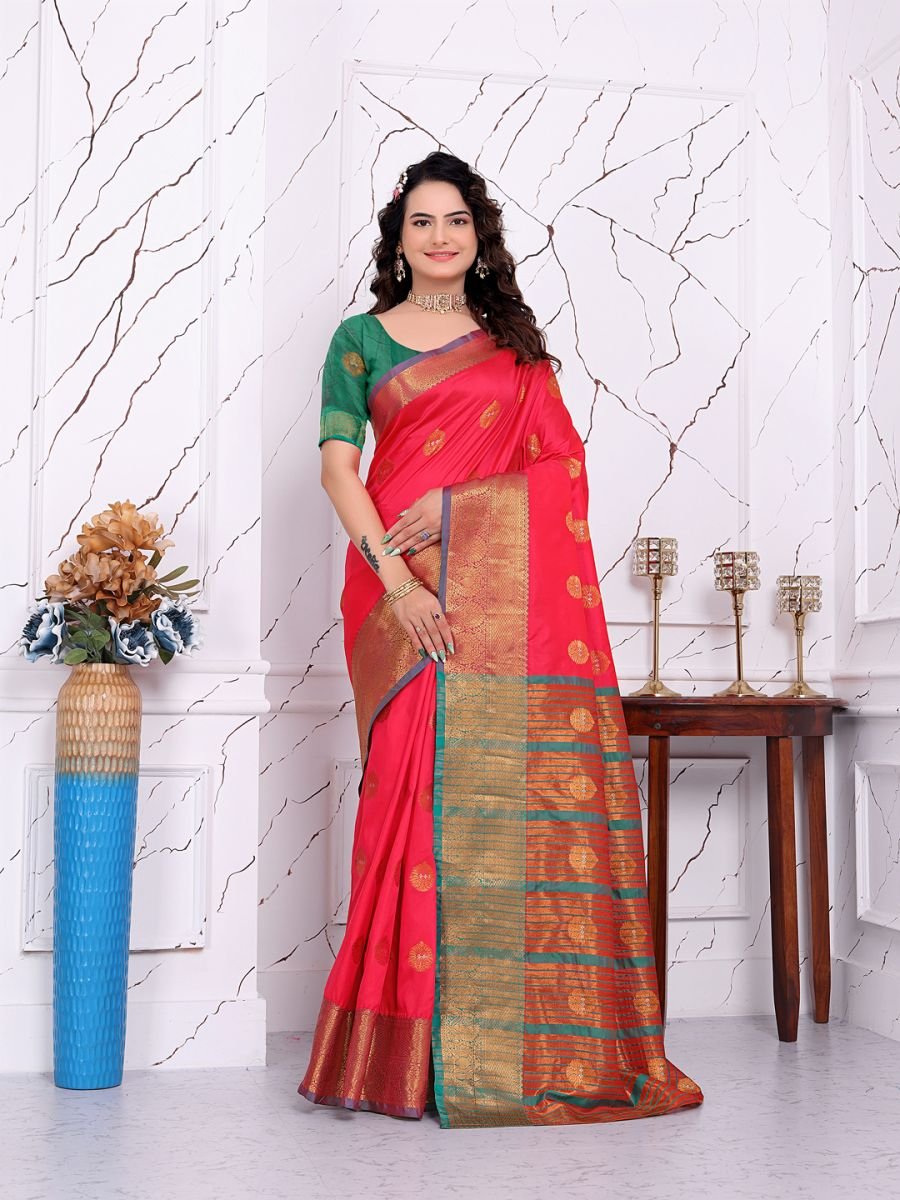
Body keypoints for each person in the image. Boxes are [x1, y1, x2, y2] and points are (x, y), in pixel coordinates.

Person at [297, 151, 702, 1129]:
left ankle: (500, 1050)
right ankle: (398, 1056)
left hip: (496, 595)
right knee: (404, 802)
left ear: (479, 240)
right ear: (399, 239)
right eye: (422, 221)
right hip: (395, 593)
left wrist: (458, 507)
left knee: (498, 803)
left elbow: (563, 472)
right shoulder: (361, 338)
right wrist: (400, 584)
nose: (439, 237)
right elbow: (340, 471)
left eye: (457, 221)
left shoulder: (511, 349)